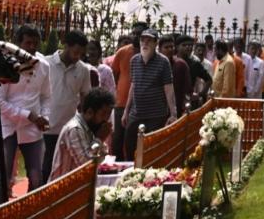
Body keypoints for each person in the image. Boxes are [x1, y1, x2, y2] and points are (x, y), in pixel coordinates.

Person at [0, 25, 51, 194]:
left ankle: (31, 216)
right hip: (8, 126)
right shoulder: (6, 64)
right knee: (2, 177)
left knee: (36, 177)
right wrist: (28, 115)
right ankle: (1, 214)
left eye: (35, 43)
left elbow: (46, 96)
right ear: (18, 44)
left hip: (33, 128)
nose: (32, 47)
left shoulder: (43, 66)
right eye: (28, 43)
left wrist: (45, 117)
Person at [41, 30, 91, 185]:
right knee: (44, 171)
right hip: (45, 128)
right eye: (76, 52)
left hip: (69, 131)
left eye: (81, 54)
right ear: (65, 45)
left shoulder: (83, 69)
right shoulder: (46, 63)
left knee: (65, 173)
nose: (78, 57)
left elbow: (85, 98)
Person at [122, 28, 176, 160]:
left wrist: (173, 113)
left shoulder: (163, 62)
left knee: (152, 152)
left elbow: (168, 89)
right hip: (136, 115)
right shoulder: (134, 61)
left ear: (155, 44)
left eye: (149, 41)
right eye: (142, 40)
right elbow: (133, 85)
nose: (145, 43)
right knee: (130, 150)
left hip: (156, 116)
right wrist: (126, 110)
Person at [49, 87, 115, 181]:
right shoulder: (75, 129)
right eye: (103, 114)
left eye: (109, 114)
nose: (106, 119)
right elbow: (86, 165)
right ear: (90, 112)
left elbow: (100, 159)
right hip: (63, 190)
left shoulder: (91, 128)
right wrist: (99, 139)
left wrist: (101, 140)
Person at [109, 23, 145, 161]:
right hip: (121, 103)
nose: (135, 36)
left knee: (134, 141)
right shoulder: (122, 52)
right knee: (118, 139)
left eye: (139, 33)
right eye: (134, 33)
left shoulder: (149, 53)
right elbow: (114, 75)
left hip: (141, 105)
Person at [159, 35, 191, 116]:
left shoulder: (181, 64)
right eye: (166, 47)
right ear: (159, 49)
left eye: (172, 47)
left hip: (177, 109)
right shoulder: (155, 65)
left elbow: (187, 89)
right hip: (158, 110)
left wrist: (186, 106)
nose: (170, 49)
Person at [178, 35, 213, 108]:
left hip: (188, 102)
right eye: (184, 45)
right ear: (177, 46)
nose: (188, 47)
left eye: (190, 45)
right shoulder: (171, 61)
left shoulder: (195, 63)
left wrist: (200, 94)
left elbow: (209, 80)